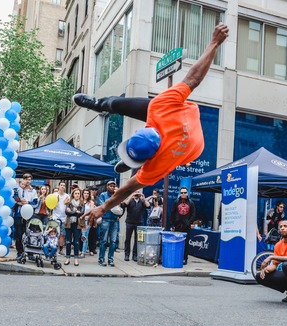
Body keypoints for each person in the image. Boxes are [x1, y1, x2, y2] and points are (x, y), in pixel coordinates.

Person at [75, 23, 230, 227]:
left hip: (187, 141)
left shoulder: (156, 162)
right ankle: (98, 105)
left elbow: (128, 189)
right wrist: (214, 42)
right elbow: (194, 78)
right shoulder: (160, 108)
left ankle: (129, 156)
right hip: (181, 127)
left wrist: (103, 207)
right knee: (128, 105)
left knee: (123, 104)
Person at [13, 173, 38, 258]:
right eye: (26, 179)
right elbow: (13, 200)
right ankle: (19, 252)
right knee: (19, 234)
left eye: (29, 179)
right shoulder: (18, 189)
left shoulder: (33, 191)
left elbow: (35, 203)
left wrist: (28, 202)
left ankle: (30, 252)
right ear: (23, 180)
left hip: (29, 215)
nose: (28, 181)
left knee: (30, 234)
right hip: (18, 215)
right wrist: (18, 203)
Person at [97, 180, 122, 267]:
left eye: (113, 186)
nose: (112, 187)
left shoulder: (117, 195)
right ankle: (101, 259)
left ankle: (110, 259)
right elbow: (102, 205)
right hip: (106, 219)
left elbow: (120, 207)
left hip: (115, 220)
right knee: (103, 240)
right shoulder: (103, 195)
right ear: (107, 187)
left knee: (113, 241)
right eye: (110, 186)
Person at [121, 190, 150, 261]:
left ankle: (135, 255)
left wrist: (144, 198)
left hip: (139, 223)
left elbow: (148, 206)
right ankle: (127, 255)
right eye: (136, 192)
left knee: (137, 240)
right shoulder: (130, 200)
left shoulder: (142, 201)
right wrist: (131, 196)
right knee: (127, 239)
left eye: (138, 192)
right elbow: (124, 204)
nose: (137, 194)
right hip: (129, 222)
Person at [171, 187, 196, 265]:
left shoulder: (191, 203)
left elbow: (193, 214)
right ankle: (176, 257)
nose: (183, 194)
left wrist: (189, 222)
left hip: (186, 226)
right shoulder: (176, 202)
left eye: (185, 192)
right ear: (180, 193)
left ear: (187, 193)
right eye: (182, 192)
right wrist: (172, 225)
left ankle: (185, 258)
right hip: (177, 226)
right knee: (176, 242)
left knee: (186, 244)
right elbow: (172, 214)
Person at [64, 188, 85, 266]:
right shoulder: (69, 203)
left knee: (76, 242)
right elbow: (66, 212)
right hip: (69, 224)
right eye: (75, 193)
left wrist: (71, 212)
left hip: (77, 224)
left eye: (78, 194)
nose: (77, 195)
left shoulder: (82, 203)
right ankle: (68, 258)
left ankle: (76, 258)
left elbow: (82, 213)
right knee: (68, 241)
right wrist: (76, 212)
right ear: (73, 194)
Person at [51, 181, 70, 253]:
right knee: (54, 233)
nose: (62, 186)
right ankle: (53, 248)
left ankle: (60, 250)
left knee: (62, 234)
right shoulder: (54, 195)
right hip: (56, 217)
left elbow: (69, 206)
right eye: (61, 185)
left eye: (64, 185)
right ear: (58, 186)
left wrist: (67, 203)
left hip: (64, 218)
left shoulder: (67, 196)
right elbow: (50, 206)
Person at [79, 188, 95, 258]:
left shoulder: (91, 202)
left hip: (87, 221)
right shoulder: (80, 201)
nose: (86, 195)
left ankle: (83, 252)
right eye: (85, 193)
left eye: (87, 193)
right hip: (80, 221)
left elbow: (91, 211)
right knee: (79, 236)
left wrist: (84, 215)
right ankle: (80, 250)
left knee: (85, 236)